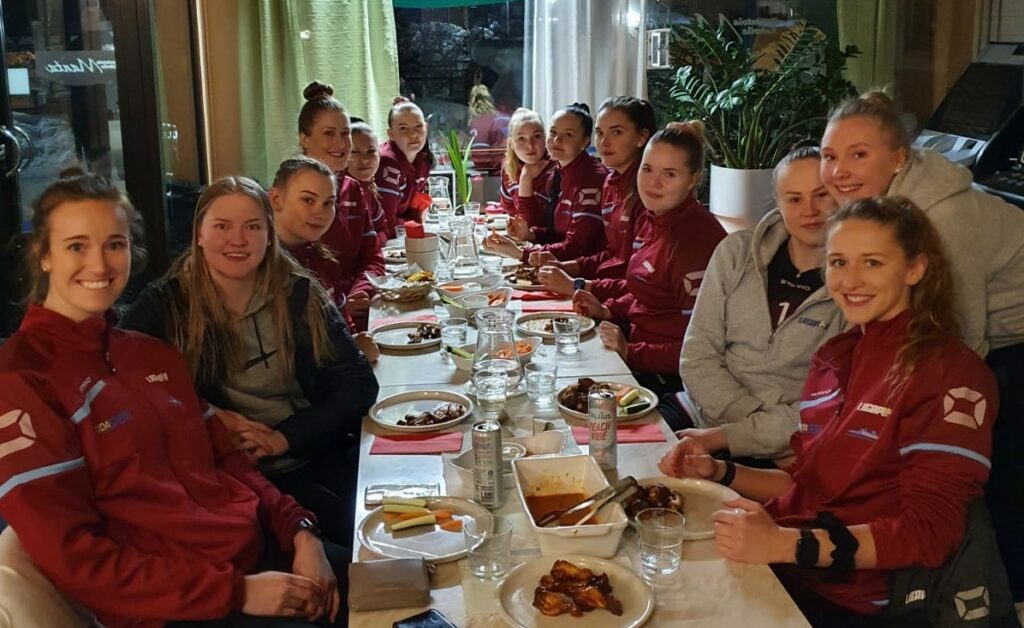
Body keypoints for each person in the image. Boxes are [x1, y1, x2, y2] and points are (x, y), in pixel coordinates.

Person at [0, 173, 350, 626]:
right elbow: (75, 556)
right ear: (43, 255)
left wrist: (300, 531)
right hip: (181, 604)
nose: (99, 264)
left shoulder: (148, 353)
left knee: (407, 581)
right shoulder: (22, 377)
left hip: (257, 557)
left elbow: (228, 462)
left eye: (114, 244)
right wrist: (237, 592)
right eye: (76, 246)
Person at [659, 196, 997, 627]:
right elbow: (804, 484)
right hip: (788, 564)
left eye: (872, 262)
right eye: (838, 262)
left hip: (852, 601)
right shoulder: (836, 357)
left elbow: (929, 532)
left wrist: (785, 544)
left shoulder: (949, 374)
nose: (850, 280)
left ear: (915, 268)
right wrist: (718, 471)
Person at [820, 90, 1024, 600]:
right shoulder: (881, 210)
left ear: (898, 159)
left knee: (991, 476)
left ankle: (988, 592)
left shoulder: (943, 223)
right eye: (829, 155)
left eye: (858, 154)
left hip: (1013, 340)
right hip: (988, 333)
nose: (839, 171)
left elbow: (960, 342)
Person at [120, 176, 379, 546]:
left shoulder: (298, 293)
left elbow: (358, 383)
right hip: (222, 481)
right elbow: (122, 383)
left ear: (269, 234)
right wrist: (208, 414)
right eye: (222, 226)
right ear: (199, 234)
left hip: (309, 458)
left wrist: (284, 438)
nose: (238, 240)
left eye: (253, 227)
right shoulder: (165, 305)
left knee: (380, 538)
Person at [675, 146, 845, 457]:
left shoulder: (854, 288)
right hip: (699, 415)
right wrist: (747, 418)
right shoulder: (736, 253)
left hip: (782, 447)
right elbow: (697, 357)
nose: (809, 210)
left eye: (821, 195)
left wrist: (740, 436)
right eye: (794, 199)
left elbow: (824, 407)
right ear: (778, 203)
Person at [571, 123, 726, 398]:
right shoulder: (652, 215)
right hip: (637, 348)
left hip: (672, 381)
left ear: (693, 179)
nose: (653, 183)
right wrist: (607, 310)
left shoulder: (693, 242)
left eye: (669, 174)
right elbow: (646, 290)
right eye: (647, 169)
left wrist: (631, 352)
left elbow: (703, 347)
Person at [533, 97, 658, 297]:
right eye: (600, 133)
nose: (604, 142)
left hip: (622, 298)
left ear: (641, 138)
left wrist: (577, 285)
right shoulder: (610, 182)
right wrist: (566, 267)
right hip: (604, 287)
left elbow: (643, 282)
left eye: (616, 132)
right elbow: (613, 255)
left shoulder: (650, 193)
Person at [267, 155, 380, 364]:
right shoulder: (265, 268)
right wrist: (354, 351)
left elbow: (342, 327)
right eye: (308, 200)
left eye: (329, 203)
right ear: (275, 199)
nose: (321, 212)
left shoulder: (323, 260)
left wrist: (354, 341)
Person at [296, 81, 384, 330]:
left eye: (345, 133)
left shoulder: (353, 188)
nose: (341, 143)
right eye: (328, 133)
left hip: (356, 312)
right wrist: (342, 306)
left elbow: (372, 256)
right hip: (318, 324)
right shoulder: (292, 195)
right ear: (304, 139)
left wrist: (361, 290)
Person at [484, 103, 608, 262]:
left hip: (585, 270)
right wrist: (531, 235)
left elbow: (578, 247)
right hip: (564, 264)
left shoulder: (590, 177)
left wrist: (521, 253)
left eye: (568, 134)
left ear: (585, 141)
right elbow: (558, 234)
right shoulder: (560, 171)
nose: (557, 140)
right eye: (553, 132)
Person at [376, 97, 434, 229]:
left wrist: (416, 219)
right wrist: (414, 222)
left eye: (418, 126)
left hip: (402, 232)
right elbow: (386, 223)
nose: (413, 134)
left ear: (426, 127)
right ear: (391, 134)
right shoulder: (387, 163)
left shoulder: (423, 159)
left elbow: (417, 210)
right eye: (403, 128)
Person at [497, 108, 558, 225]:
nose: (530, 145)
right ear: (511, 144)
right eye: (521, 139)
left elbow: (528, 223)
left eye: (537, 136)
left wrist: (526, 177)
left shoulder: (556, 167)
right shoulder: (509, 167)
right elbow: (508, 207)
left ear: (545, 138)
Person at [348, 117, 389, 245]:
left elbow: (383, 229)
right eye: (354, 152)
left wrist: (372, 244)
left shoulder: (369, 189)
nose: (365, 159)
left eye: (371, 151)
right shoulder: (340, 192)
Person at [467, 83, 509, 149]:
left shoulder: (474, 123)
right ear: (490, 100)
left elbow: (479, 151)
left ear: (471, 102)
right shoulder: (504, 118)